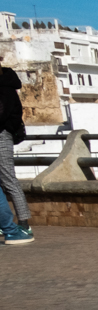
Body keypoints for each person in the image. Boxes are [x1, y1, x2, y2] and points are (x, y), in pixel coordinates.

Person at [0, 64, 33, 246]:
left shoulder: (5, 88)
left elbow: (3, 115)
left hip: (2, 137)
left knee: (9, 180)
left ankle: (24, 223)